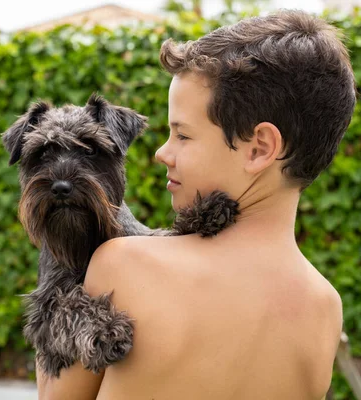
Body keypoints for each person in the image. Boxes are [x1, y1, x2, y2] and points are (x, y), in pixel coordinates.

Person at [35, 9, 356, 400]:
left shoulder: (123, 263)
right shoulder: (324, 307)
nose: (160, 152)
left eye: (182, 135)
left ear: (259, 149)